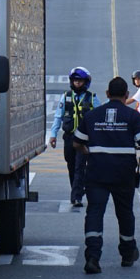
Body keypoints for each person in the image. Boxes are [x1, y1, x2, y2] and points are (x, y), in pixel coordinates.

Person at [73, 77, 140, 274]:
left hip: (96, 172)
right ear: (127, 95)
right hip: (123, 173)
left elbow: (77, 143)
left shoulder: (93, 115)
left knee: (94, 212)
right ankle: (127, 253)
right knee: (125, 213)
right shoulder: (132, 116)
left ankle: (93, 257)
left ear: (107, 94)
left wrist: (88, 151)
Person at [49, 67, 101, 208]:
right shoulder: (65, 96)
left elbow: (99, 117)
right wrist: (53, 135)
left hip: (84, 139)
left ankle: (76, 197)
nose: (77, 83)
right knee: (71, 165)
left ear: (86, 82)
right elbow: (58, 116)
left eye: (80, 81)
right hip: (69, 137)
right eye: (75, 80)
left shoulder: (92, 98)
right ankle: (78, 189)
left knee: (79, 167)